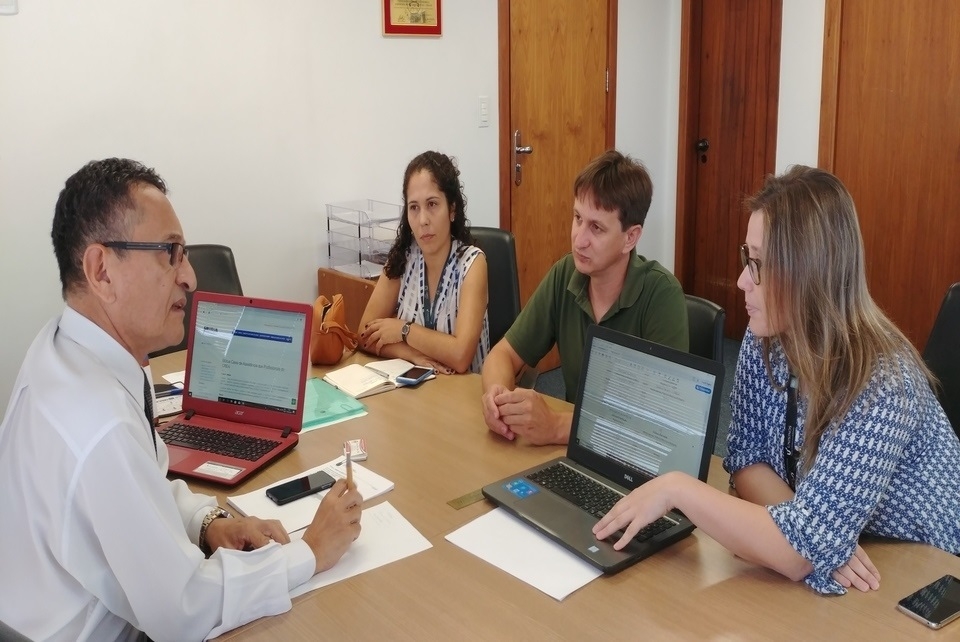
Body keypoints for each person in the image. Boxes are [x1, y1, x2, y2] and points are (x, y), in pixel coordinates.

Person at [0, 158, 363, 641]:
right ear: (101, 270)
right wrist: (310, 551)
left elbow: (141, 485)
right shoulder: (99, 425)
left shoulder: (66, 350)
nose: (189, 276)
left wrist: (207, 522)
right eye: (169, 253)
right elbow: (184, 610)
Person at [594, 165, 960, 595]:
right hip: (861, 550)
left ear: (809, 273)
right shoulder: (765, 335)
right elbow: (745, 458)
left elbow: (797, 554)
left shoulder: (883, 381)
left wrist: (679, 490)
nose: (741, 281)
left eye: (759, 265)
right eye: (746, 257)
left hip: (928, 570)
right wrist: (810, 531)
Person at [481, 149, 688, 446]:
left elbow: (659, 420)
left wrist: (557, 427)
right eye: (578, 218)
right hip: (573, 450)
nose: (579, 240)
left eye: (596, 228)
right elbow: (503, 354)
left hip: (630, 456)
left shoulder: (662, 295)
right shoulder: (566, 273)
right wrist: (497, 399)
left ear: (630, 237)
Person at [359, 150, 490, 374]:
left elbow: (460, 357)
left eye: (432, 204)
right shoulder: (403, 257)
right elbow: (364, 334)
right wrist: (410, 354)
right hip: (417, 387)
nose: (422, 220)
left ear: (452, 209)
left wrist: (403, 330)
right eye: (414, 207)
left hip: (464, 390)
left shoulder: (472, 264)